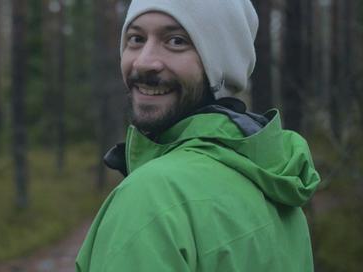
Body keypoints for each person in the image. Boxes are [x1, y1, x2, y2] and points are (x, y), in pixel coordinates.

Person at [75, 0, 321, 271]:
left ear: (222, 62)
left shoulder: (152, 197)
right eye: (136, 38)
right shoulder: (277, 183)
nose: (144, 62)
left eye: (176, 41)